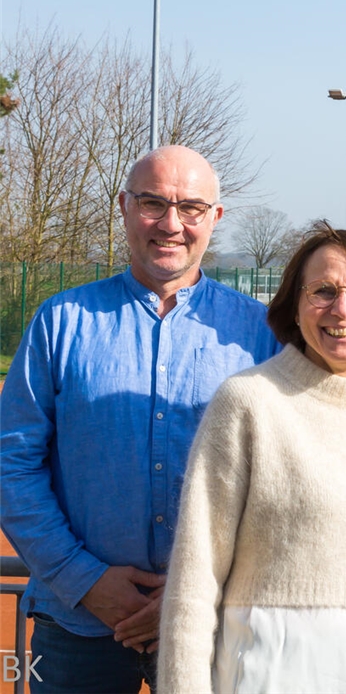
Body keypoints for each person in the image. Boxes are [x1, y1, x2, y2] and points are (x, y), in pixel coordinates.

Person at [0, 145, 280, 692]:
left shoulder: (263, 333)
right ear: (124, 207)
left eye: (191, 208)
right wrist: (85, 580)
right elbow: (13, 465)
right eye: (153, 203)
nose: (171, 224)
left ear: (215, 218)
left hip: (214, 627)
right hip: (77, 627)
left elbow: (278, 483)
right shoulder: (60, 322)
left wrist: (192, 593)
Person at [158, 223, 346, 693]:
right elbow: (196, 573)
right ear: (294, 302)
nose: (343, 309)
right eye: (323, 291)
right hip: (267, 668)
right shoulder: (246, 401)